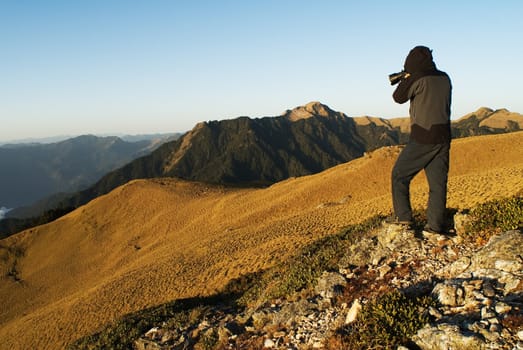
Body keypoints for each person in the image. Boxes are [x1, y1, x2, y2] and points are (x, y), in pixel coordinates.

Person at [387, 45, 453, 235]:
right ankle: (435, 227)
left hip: (423, 137)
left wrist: (406, 78)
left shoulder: (418, 77)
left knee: (399, 175)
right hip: (443, 137)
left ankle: (404, 217)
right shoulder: (444, 77)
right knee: (437, 185)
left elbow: (398, 97)